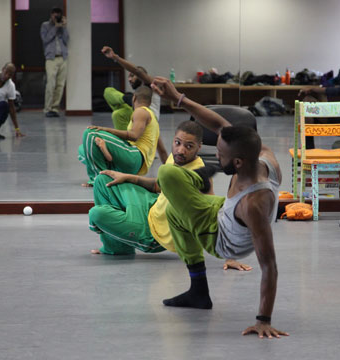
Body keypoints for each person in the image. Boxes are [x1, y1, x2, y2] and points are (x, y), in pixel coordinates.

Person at [150, 77, 289, 339]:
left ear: (237, 162)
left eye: (221, 156)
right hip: (226, 210)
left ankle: (199, 290)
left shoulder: (253, 204)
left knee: (168, 175)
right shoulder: (263, 154)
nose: (217, 155)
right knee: (174, 212)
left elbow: (269, 265)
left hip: (223, 239)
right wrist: (178, 98)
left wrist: (263, 320)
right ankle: (199, 292)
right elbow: (218, 124)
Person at [89, 120, 252, 271]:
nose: (181, 150)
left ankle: (118, 244)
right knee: (103, 179)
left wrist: (230, 257)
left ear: (199, 147)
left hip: (153, 234)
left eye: (189, 146)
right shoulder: (175, 158)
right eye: (178, 143)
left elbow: (214, 214)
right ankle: (115, 247)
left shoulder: (199, 175)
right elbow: (158, 186)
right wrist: (128, 177)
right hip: (151, 206)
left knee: (96, 214)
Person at [79, 86, 160, 187]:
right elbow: (162, 149)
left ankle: (98, 179)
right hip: (135, 163)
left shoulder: (141, 111)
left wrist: (107, 130)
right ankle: (108, 173)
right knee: (83, 150)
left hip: (134, 156)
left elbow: (134, 136)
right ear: (150, 101)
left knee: (90, 133)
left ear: (134, 98)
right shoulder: (153, 119)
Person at [40, 7, 69, 117]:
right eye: (54, 15)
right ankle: (47, 109)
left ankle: (55, 109)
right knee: (50, 84)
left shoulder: (63, 26)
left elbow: (66, 40)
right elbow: (45, 40)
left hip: (63, 58)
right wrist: (55, 28)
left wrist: (64, 27)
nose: (56, 17)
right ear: (51, 15)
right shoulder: (45, 25)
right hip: (51, 58)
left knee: (60, 85)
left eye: (58, 15)